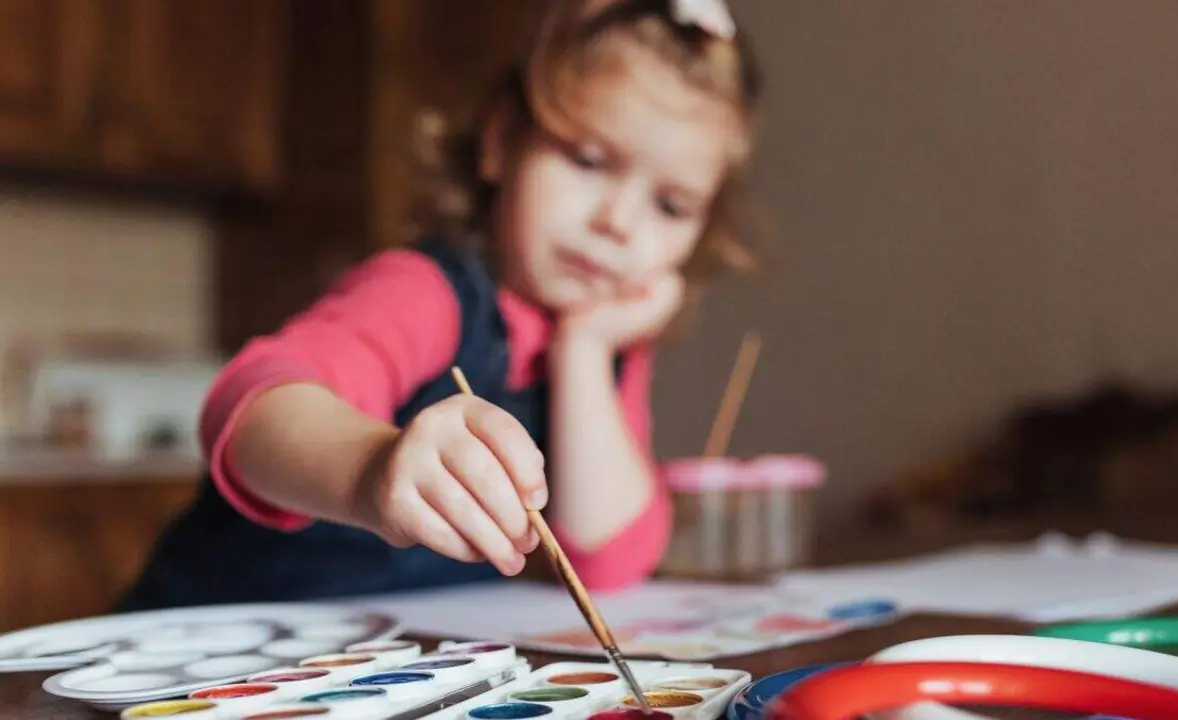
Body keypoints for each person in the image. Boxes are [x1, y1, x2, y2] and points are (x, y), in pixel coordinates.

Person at [117, 0, 763, 611]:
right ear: (501, 141)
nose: (619, 222)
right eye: (588, 160)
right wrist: (373, 469)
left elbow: (604, 560)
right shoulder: (427, 291)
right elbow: (251, 410)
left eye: (671, 206)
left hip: (358, 674)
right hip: (203, 653)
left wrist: (584, 353)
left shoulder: (604, 344)